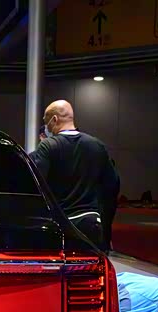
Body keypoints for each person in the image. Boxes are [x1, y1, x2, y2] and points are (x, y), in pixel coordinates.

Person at [30, 100, 119, 250]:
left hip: (62, 222)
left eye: (46, 122)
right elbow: (112, 186)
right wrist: (106, 229)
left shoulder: (48, 146)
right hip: (91, 222)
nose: (46, 127)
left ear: (54, 119)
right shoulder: (97, 145)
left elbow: (37, 185)